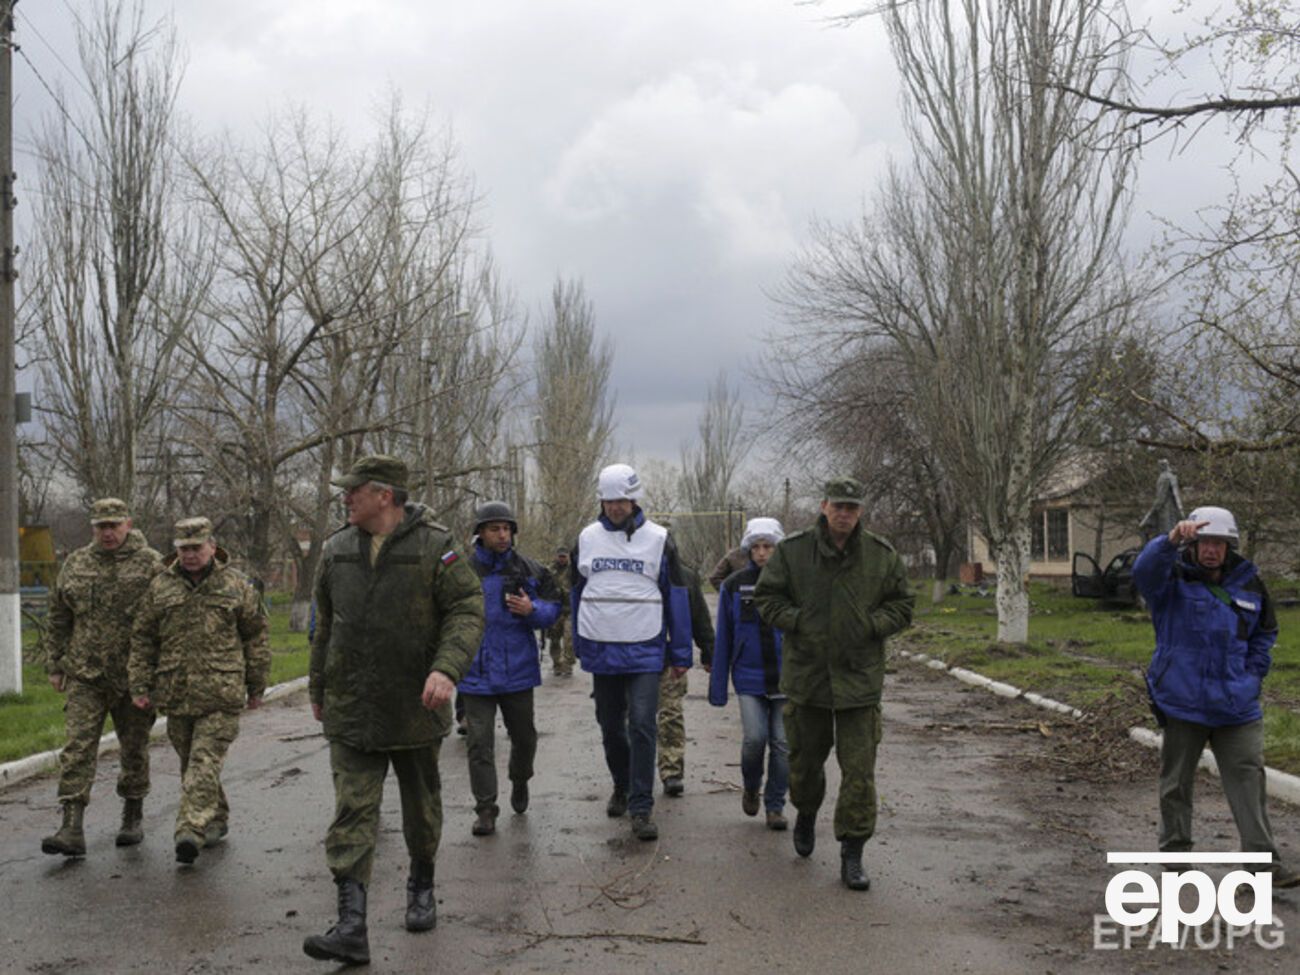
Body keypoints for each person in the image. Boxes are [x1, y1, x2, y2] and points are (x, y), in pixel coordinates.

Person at [303, 455, 484, 965]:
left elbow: (468, 610)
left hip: (414, 703)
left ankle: (421, 885)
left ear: (384, 495)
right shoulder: (337, 548)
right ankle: (351, 925)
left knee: (420, 808)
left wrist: (447, 669)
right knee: (351, 810)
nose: (345, 497)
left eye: (353, 490)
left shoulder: (436, 546)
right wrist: (318, 686)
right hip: (351, 705)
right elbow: (325, 626)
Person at [754, 478, 914, 890]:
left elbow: (902, 604)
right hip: (808, 679)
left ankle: (853, 851)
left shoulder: (880, 556)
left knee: (859, 774)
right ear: (824, 506)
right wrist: (799, 621)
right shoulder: (792, 552)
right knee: (805, 767)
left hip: (859, 682)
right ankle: (805, 814)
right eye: (838, 506)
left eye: (852, 508)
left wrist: (872, 625)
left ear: (860, 512)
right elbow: (767, 599)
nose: (844, 514)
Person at [1133, 506, 1299, 888]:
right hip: (1182, 702)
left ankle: (1262, 867)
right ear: (1193, 544)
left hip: (1236, 706)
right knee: (1176, 784)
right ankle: (1176, 860)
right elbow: (1143, 572)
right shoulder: (1170, 579)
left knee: (1249, 781)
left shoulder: (1249, 583)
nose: (1211, 550)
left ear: (1229, 546)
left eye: (1219, 543)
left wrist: (1252, 676)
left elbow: (1265, 633)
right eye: (1204, 542)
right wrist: (1169, 540)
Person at [128, 517, 270, 865]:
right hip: (176, 692)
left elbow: (256, 635)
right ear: (176, 550)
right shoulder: (160, 587)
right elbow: (144, 638)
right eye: (184, 548)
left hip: (221, 692)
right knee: (191, 763)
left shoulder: (236, 585)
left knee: (204, 762)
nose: (190, 555)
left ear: (211, 546)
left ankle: (188, 829)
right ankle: (216, 818)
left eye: (196, 547)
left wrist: (257, 683)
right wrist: (140, 683)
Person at [572, 462, 691, 841]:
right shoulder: (587, 538)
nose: (614, 507)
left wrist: (681, 652)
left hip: (646, 648)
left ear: (634, 499)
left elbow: (677, 597)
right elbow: (578, 594)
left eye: (621, 500)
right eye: (608, 501)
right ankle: (621, 784)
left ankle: (642, 806)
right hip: (603, 648)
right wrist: (580, 641)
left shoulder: (659, 540)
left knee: (642, 723)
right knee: (610, 727)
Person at [41, 498, 162, 857]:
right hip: (85, 673)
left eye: (114, 525)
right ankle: (71, 826)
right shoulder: (77, 563)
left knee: (134, 747)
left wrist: (158, 670)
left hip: (133, 676)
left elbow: (165, 618)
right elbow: (59, 615)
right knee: (78, 746)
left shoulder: (151, 564)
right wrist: (55, 664)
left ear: (128, 523)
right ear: (93, 527)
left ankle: (132, 815)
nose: (108, 533)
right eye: (101, 526)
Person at [460, 501, 562, 837]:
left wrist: (532, 610)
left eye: (506, 529)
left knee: (524, 738)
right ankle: (486, 809)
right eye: (494, 529)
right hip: (476, 672)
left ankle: (520, 779)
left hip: (517, 669)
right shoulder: (462, 571)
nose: (502, 535)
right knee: (479, 743)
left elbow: (555, 609)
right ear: (480, 533)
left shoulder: (529, 569)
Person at [709, 517, 788, 830]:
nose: (762, 553)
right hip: (749, 677)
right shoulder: (734, 584)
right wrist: (718, 686)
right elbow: (725, 637)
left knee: (783, 745)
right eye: (756, 547)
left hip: (787, 677)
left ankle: (776, 806)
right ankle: (752, 786)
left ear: (777, 548)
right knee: (755, 739)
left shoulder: (792, 582)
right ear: (748, 549)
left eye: (768, 546)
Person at [656, 563, 713, 796]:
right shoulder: (633, 571)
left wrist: (708, 650)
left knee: (671, 714)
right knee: (633, 718)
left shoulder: (685, 576)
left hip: (671, 657)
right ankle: (629, 773)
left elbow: (699, 616)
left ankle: (672, 771)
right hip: (633, 658)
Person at [544, 547, 574, 676]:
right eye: (560, 556)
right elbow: (544, 588)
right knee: (554, 639)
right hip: (555, 609)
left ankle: (567, 664)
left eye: (564, 556)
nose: (562, 559)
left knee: (569, 639)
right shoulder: (550, 570)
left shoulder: (573, 570)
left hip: (569, 609)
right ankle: (557, 664)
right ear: (556, 556)